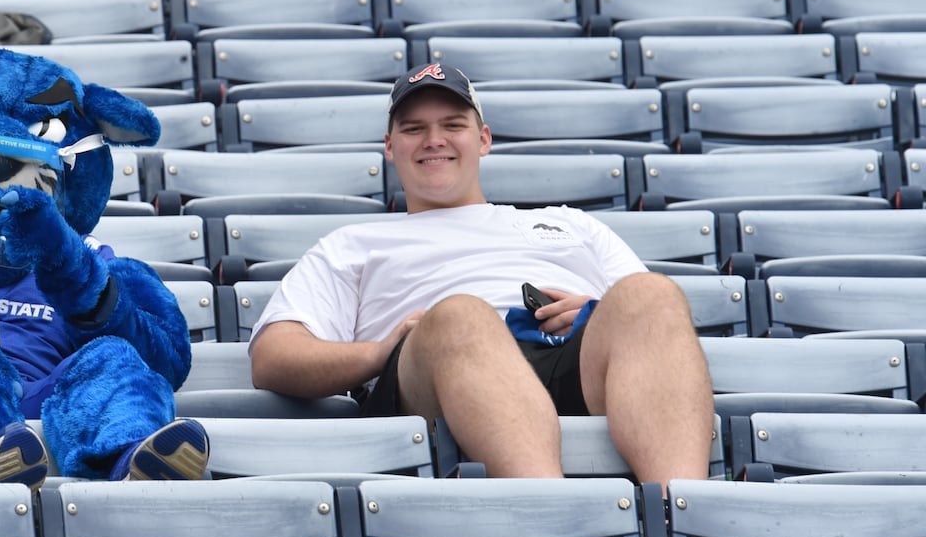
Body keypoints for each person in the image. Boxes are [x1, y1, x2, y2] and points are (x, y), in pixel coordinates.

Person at [250, 63, 714, 486]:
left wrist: (594, 313)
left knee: (650, 294)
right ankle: (564, 523)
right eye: (414, 129)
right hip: (436, 377)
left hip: (566, 359)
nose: (434, 140)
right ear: (390, 149)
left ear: (484, 139)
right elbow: (273, 357)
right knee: (460, 316)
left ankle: (686, 515)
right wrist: (377, 352)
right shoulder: (352, 244)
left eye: (453, 125)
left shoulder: (574, 223)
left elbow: (662, 336)